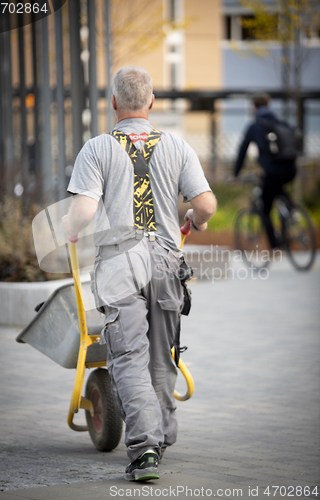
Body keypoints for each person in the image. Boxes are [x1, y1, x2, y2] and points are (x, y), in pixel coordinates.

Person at [62, 66, 216, 482]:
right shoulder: (178, 147)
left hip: (119, 264)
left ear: (113, 103)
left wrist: (71, 231)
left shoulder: (96, 149)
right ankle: (162, 436)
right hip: (166, 262)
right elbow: (204, 205)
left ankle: (145, 449)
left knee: (128, 357)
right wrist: (192, 222)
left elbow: (85, 210)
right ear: (151, 103)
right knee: (161, 354)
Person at [233, 93, 297, 248]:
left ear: (254, 108)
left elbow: (242, 150)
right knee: (279, 193)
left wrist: (235, 174)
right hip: (291, 169)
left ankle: (275, 244)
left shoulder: (255, 127)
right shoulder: (281, 123)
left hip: (272, 172)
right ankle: (291, 212)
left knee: (265, 208)